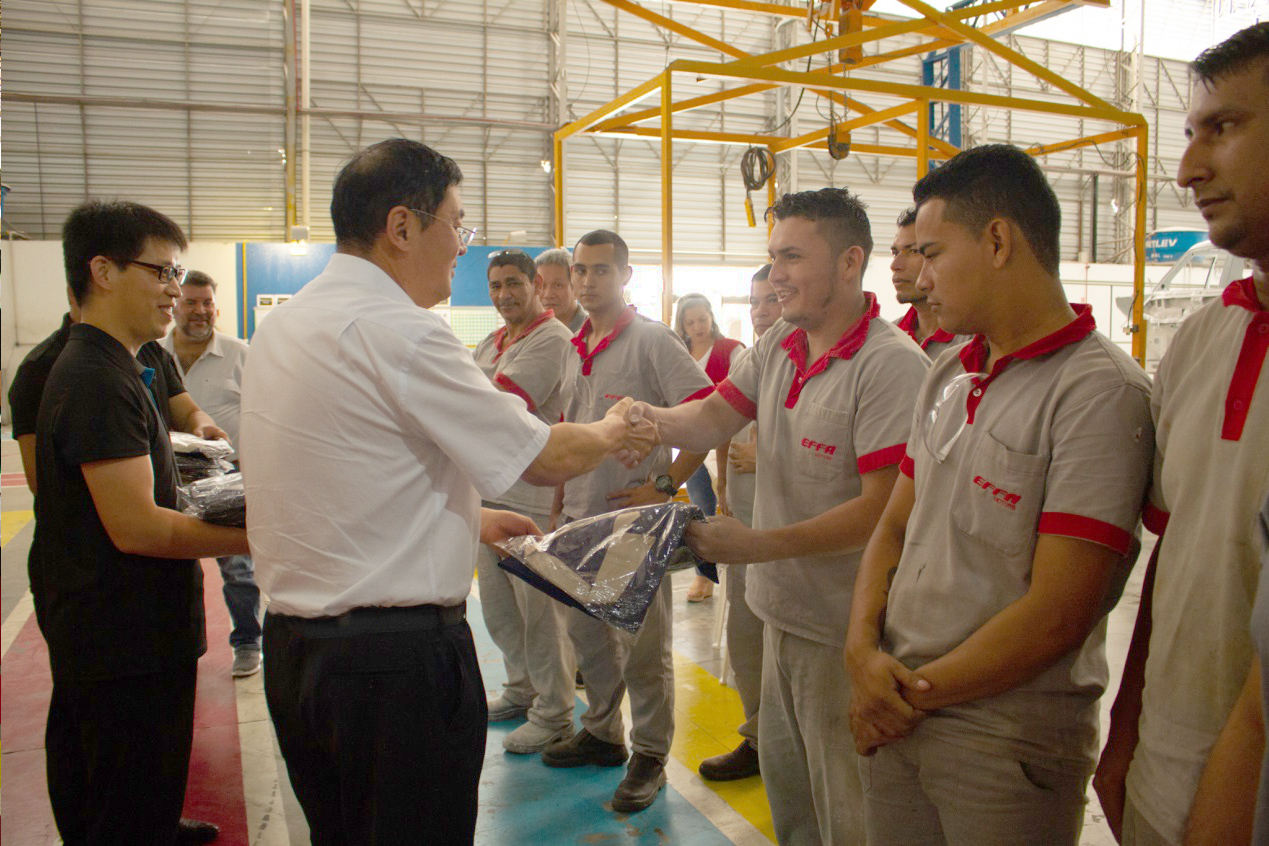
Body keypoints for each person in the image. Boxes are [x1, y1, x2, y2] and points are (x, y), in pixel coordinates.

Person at [239, 139, 654, 845]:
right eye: (457, 224)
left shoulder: (283, 327)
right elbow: (543, 456)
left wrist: (470, 516)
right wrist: (614, 427)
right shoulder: (402, 332)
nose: (463, 245)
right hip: (393, 670)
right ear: (402, 227)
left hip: (299, 654)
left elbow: (347, 470)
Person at [843, 145, 1154, 846]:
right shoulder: (950, 370)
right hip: (898, 706)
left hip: (1001, 741)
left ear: (997, 241)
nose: (920, 278)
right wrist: (859, 652)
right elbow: (893, 527)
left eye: (930, 253)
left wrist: (900, 696)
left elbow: (1058, 614)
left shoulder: (1098, 393)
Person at [629, 188, 930, 845]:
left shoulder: (889, 367)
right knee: (792, 801)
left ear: (849, 262)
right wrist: (648, 418)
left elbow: (882, 511)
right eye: (773, 257)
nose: (776, 275)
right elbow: (713, 415)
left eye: (792, 257)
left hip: (843, 631)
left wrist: (755, 545)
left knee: (848, 810)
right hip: (777, 614)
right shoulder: (779, 347)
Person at [1094, 23, 1269, 846]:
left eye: (1222, 127)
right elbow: (1178, 550)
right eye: (1190, 131)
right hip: (1167, 762)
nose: (1186, 168)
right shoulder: (1203, 339)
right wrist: (1127, 731)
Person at [29, 200, 249, 845]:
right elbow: (139, 529)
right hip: (122, 633)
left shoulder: (121, 363)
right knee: (125, 794)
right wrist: (264, 535)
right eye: (163, 272)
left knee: (122, 787)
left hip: (120, 624)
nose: (175, 291)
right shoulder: (97, 377)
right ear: (102, 271)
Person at [541, 229, 713, 814]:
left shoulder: (651, 340)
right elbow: (569, 427)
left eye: (601, 270)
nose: (588, 281)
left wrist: (665, 485)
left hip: (635, 523)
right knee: (588, 638)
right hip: (580, 517)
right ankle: (602, 732)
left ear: (625, 275)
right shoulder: (575, 345)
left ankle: (651, 754)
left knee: (643, 648)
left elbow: (707, 415)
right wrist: (558, 503)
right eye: (580, 270)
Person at [471, 248, 577, 754]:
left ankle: (555, 713)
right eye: (495, 286)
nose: (504, 294)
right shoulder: (492, 341)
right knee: (499, 610)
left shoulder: (552, 338)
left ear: (536, 284)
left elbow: (496, 404)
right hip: (490, 494)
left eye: (514, 283)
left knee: (541, 616)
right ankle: (521, 688)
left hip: (532, 497)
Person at [9, 293, 227, 496]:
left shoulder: (150, 351)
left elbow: (188, 413)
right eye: (158, 274)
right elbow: (42, 481)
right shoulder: (42, 368)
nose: (173, 291)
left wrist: (201, 427)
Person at [697, 264, 779, 783]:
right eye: (755, 301)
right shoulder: (752, 360)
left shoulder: (871, 361)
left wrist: (766, 457)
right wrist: (724, 482)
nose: (762, 310)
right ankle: (758, 738)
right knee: (746, 638)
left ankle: (790, 748)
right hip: (746, 523)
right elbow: (713, 420)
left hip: (793, 538)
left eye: (772, 298)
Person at [160, 270, 262, 678]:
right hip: (167, 476)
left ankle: (248, 642)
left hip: (226, 474)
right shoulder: (152, 354)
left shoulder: (240, 354)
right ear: (175, 306)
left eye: (208, 303)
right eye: (191, 303)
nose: (200, 311)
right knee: (167, 563)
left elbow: (262, 413)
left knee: (237, 565)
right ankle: (172, 645)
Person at [674, 292, 744, 602]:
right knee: (701, 506)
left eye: (702, 320)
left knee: (731, 505)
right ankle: (704, 574)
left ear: (711, 317)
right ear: (682, 325)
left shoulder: (731, 350)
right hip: (694, 442)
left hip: (730, 440)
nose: (697, 327)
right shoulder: (679, 352)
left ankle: (739, 569)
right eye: (690, 323)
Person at [890, 207, 971, 358]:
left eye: (914, 251)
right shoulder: (889, 336)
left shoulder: (975, 341)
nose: (895, 265)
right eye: (895, 252)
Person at [538, 246, 587, 333]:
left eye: (558, 285)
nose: (548, 295)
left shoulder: (592, 333)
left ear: (575, 288)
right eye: (542, 286)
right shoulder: (530, 332)